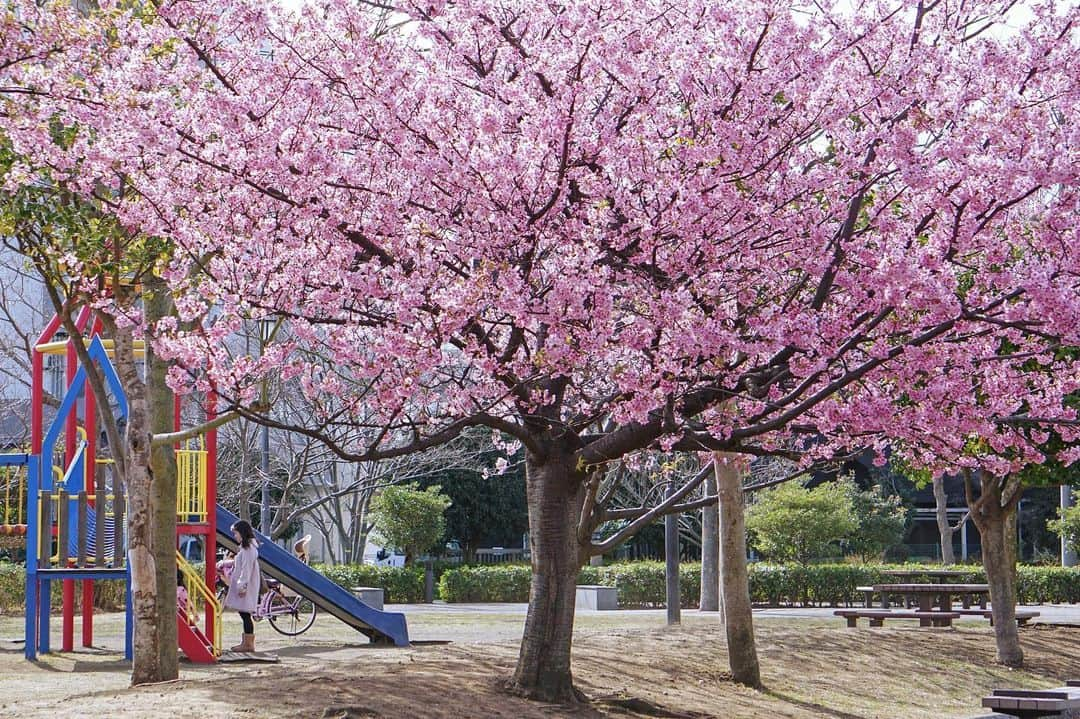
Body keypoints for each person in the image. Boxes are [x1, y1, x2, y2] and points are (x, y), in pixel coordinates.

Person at [223, 520, 261, 653]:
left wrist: (241, 586)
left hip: (246, 585)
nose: (235, 536)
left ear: (242, 533)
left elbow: (246, 570)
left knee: (245, 613)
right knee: (244, 613)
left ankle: (248, 644)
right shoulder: (248, 549)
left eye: (236, 533)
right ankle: (246, 642)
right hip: (246, 584)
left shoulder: (247, 550)